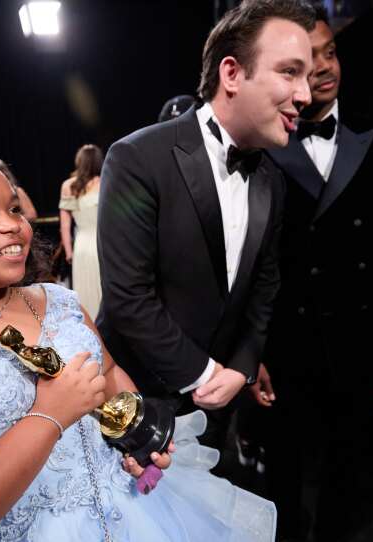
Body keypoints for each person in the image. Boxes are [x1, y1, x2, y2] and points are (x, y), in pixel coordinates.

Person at [0, 149, 277, 541]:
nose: (13, 226)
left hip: (136, 516)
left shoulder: (58, 300)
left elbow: (108, 375)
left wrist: (136, 438)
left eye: (14, 209)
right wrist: (48, 415)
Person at [96, 0, 316, 449]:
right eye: (290, 72)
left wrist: (242, 366)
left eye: (307, 76)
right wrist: (205, 373)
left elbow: (264, 288)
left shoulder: (273, 178)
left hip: (220, 407)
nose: (306, 95)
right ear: (231, 73)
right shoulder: (137, 158)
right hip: (135, 399)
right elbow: (128, 297)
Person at [261, 6, 373, 540]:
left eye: (330, 53)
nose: (325, 67)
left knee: (350, 473)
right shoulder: (263, 148)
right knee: (285, 475)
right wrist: (253, 349)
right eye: (308, 59)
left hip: (364, 338)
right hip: (288, 342)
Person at [59, 144, 103, 316]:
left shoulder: (68, 185)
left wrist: (69, 252)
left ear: (79, 161)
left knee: (85, 291)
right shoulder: (107, 180)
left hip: (82, 246)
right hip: (104, 244)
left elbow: (65, 224)